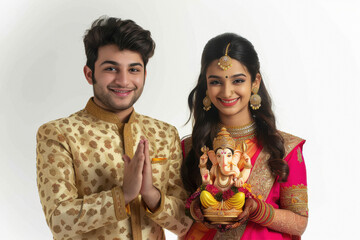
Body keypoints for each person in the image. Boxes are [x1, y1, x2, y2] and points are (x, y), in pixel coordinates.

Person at [36, 16, 192, 240]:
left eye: (134, 70)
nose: (124, 80)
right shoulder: (59, 134)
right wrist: (123, 195)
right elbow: (60, 221)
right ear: (90, 74)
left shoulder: (164, 134)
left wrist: (151, 194)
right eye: (111, 68)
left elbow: (187, 223)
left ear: (144, 75)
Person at [180, 33, 308, 239]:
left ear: (255, 82)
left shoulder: (287, 148)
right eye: (216, 82)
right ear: (206, 85)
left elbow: (299, 224)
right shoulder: (190, 147)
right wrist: (196, 208)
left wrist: (258, 210)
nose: (227, 92)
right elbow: (177, 216)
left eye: (238, 80)